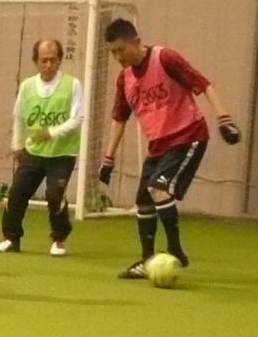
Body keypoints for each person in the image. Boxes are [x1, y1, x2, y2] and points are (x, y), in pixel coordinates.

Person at [99, 19, 241, 279]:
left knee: (158, 189)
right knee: (144, 199)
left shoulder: (164, 58)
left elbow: (204, 85)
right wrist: (108, 158)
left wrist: (224, 119)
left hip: (188, 136)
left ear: (136, 42)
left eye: (121, 50)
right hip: (158, 145)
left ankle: (176, 250)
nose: (118, 57)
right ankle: (146, 261)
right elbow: (119, 118)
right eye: (113, 52)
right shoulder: (125, 79)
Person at [0, 39, 82, 256]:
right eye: (43, 60)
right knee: (16, 193)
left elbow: (78, 118)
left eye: (53, 60)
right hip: (34, 151)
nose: (48, 65)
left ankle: (59, 239)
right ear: (36, 61)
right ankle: (11, 238)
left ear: (60, 60)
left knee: (54, 194)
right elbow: (19, 117)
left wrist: (51, 132)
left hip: (62, 153)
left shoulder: (72, 85)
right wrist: (17, 145)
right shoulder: (27, 86)